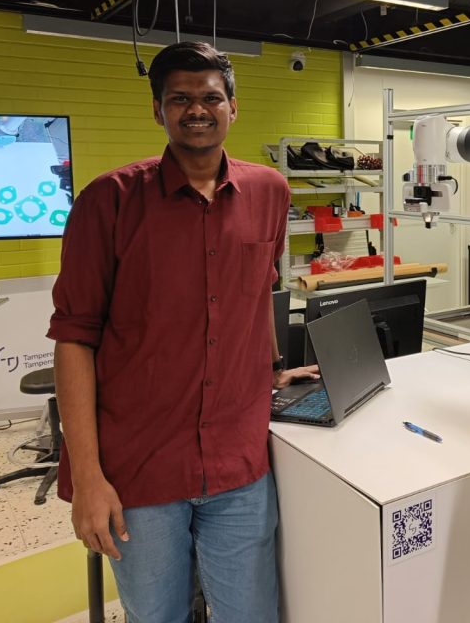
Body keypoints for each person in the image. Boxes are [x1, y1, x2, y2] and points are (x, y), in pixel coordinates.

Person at [47, 41, 318, 622]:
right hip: (141, 470)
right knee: (159, 616)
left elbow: (258, 293)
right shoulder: (107, 202)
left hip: (237, 463)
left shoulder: (270, 192)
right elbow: (74, 338)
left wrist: (272, 370)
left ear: (233, 107)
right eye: (180, 99)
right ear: (158, 110)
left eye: (210, 97)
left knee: (252, 615)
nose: (197, 110)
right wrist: (89, 477)